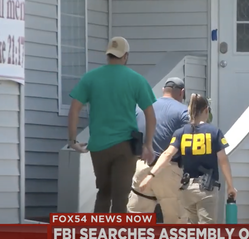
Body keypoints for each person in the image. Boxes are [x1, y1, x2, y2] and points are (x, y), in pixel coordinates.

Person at [67, 36, 157, 213]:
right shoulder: (136, 79)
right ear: (126, 56)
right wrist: (148, 144)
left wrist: (72, 140)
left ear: (108, 55)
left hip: (99, 145)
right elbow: (150, 115)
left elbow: (74, 110)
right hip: (125, 146)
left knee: (103, 193)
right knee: (120, 197)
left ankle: (98, 237)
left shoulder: (90, 78)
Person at [138, 94, 237, 224]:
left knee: (192, 232)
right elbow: (223, 160)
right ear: (206, 110)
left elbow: (167, 154)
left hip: (187, 189)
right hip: (206, 190)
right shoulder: (214, 132)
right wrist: (230, 186)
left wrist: (150, 176)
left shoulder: (181, 133)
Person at [128, 77, 189, 224]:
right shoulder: (184, 112)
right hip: (169, 170)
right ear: (182, 92)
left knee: (136, 222)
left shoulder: (140, 108)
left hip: (141, 167)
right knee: (175, 224)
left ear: (163, 90)